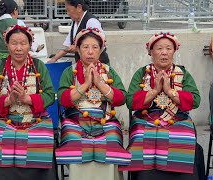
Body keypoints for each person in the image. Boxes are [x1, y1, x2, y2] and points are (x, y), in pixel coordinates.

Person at [118, 32, 205, 180]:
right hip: (146, 117)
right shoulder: (142, 73)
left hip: (177, 118)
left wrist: (170, 91)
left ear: (174, 51)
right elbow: (130, 101)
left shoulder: (182, 73)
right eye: (159, 48)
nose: (164, 52)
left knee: (185, 137)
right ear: (151, 52)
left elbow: (195, 100)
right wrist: (154, 91)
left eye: (168, 48)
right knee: (141, 135)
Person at [55, 27, 131, 180]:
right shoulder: (70, 72)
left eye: (95, 47)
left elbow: (121, 98)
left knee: (112, 140)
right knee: (73, 140)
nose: (90, 52)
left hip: (105, 120)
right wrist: (85, 84)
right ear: (77, 49)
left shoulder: (109, 72)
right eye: (85, 47)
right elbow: (63, 99)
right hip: (75, 120)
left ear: (101, 49)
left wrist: (99, 83)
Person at [0, 24, 56, 180]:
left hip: (35, 119)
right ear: (7, 45)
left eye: (23, 43)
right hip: (5, 120)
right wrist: (9, 100)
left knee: (43, 141)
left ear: (30, 45)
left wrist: (27, 99)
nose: (18, 48)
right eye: (14, 43)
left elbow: (50, 94)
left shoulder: (38, 66)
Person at [0, 0, 42, 78]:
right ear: (14, 11)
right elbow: (31, 44)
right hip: (13, 63)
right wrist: (38, 48)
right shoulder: (19, 23)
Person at [47, 0, 110, 64]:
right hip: (83, 64)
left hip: (98, 64)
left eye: (68, 10)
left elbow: (99, 45)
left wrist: (77, 48)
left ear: (79, 7)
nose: (67, 14)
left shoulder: (91, 21)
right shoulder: (75, 22)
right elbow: (68, 46)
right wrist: (54, 59)